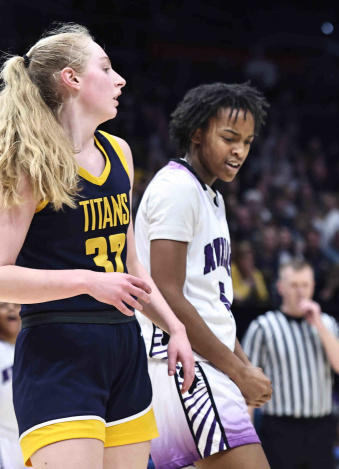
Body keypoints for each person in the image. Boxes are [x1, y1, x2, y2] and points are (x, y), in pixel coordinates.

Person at [0, 24, 194, 468]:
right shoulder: (29, 162)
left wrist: (173, 326)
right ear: (71, 79)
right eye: (106, 68)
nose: (120, 79)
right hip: (58, 350)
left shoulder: (119, 152)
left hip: (124, 347)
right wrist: (89, 282)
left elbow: (130, 264)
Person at [134, 82, 271, 469]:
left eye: (247, 141)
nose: (239, 151)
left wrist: (242, 365)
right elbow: (166, 294)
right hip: (181, 365)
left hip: (205, 365)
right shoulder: (176, 189)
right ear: (197, 133)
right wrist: (238, 371)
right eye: (229, 138)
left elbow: (213, 300)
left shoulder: (210, 196)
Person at [242, 259, 339, 469]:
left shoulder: (327, 323)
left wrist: (319, 325)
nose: (300, 292)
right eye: (294, 285)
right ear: (280, 287)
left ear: (313, 286)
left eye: (305, 285)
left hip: (321, 428)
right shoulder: (263, 327)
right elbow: (246, 386)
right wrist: (245, 437)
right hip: (279, 429)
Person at [0, 302, 24, 469]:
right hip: (4, 438)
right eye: (3, 305)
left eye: (16, 305)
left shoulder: (35, 347)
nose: (11, 309)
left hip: (35, 430)